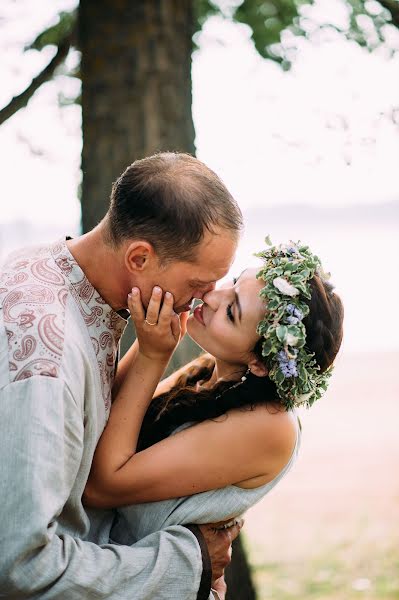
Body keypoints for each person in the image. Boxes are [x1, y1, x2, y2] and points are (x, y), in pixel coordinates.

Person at [0, 152, 244, 599]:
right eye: (197, 285)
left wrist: (151, 353)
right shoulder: (47, 366)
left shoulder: (45, 267)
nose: (206, 300)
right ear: (139, 257)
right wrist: (188, 563)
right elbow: (20, 566)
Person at [83, 240, 344, 598]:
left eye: (232, 312)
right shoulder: (210, 374)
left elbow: (100, 486)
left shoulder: (270, 426)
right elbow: (109, 417)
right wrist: (156, 343)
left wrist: (153, 354)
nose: (211, 298)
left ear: (261, 363)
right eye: (233, 283)